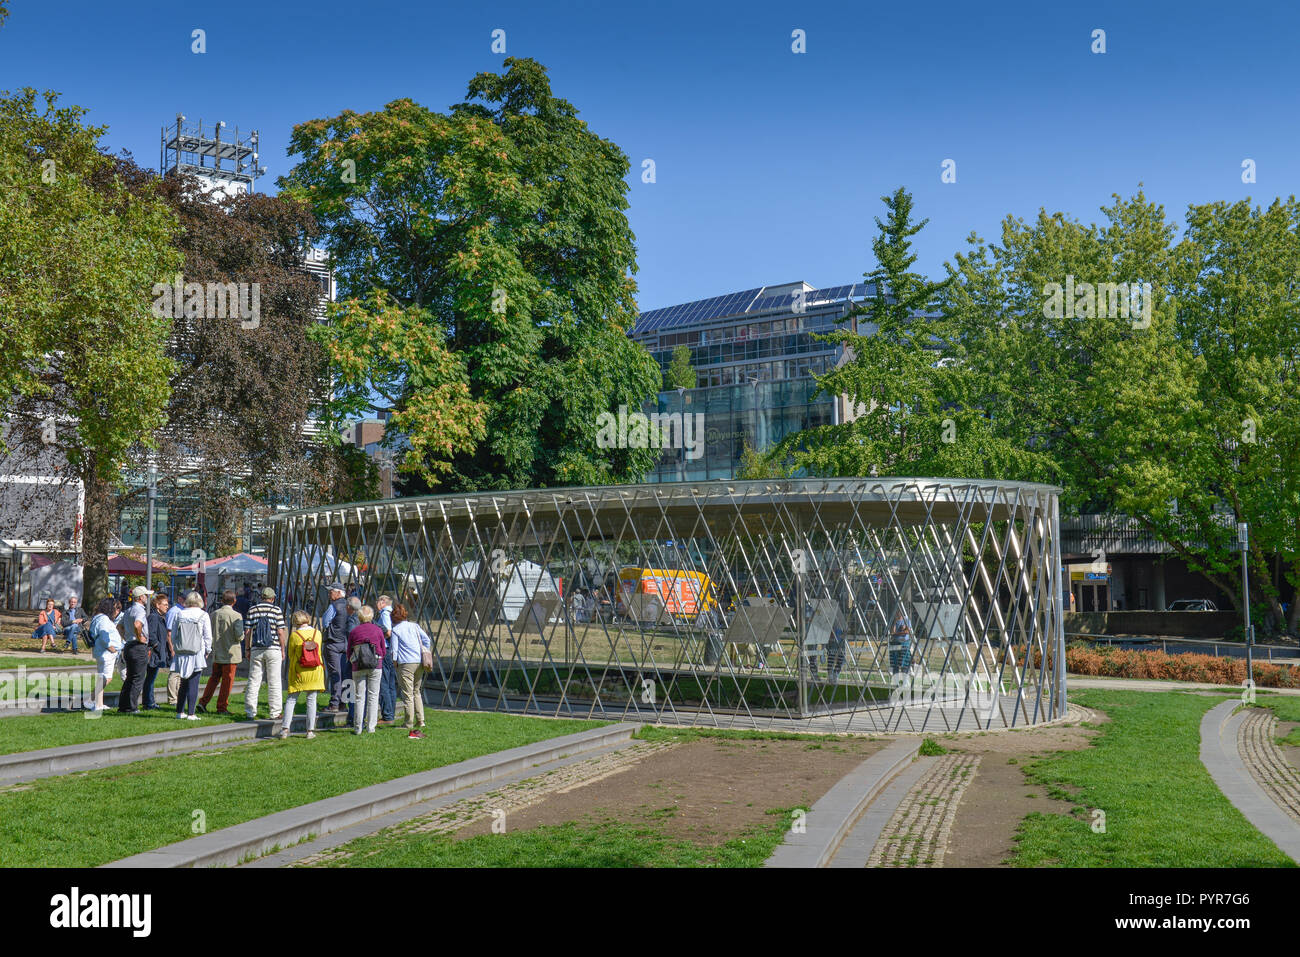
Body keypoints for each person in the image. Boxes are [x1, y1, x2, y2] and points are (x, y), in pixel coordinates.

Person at [243, 586, 287, 721]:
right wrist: (283, 649)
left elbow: (248, 632)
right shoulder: (276, 610)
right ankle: (275, 712)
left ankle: (250, 711)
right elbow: (280, 632)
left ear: (261, 597)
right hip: (273, 649)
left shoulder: (252, 610)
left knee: (254, 680)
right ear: (272, 598)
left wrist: (247, 649)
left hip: (256, 649)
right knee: (274, 681)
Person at [281, 610, 326, 739]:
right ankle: (310, 731)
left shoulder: (295, 636)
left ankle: (285, 729)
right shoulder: (317, 633)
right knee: (311, 700)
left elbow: (291, 654)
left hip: (299, 671)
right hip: (315, 670)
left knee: (291, 699)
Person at [389, 603, 430, 738]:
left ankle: (408, 723)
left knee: (407, 694)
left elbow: (394, 650)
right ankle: (421, 720)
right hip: (419, 661)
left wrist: (394, 663)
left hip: (405, 663)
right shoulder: (414, 625)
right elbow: (426, 639)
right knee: (416, 691)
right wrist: (423, 650)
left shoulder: (396, 630)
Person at [170, 591, 212, 720]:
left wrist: (177, 647)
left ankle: (180, 711)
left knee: (183, 682)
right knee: (194, 683)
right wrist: (208, 650)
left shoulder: (179, 613)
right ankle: (191, 713)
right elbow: (207, 636)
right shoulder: (203, 615)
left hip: (182, 651)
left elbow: (173, 634)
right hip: (197, 651)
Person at [199, 590, 242, 715]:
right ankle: (222, 707)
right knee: (227, 681)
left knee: (214, 678)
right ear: (234, 601)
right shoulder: (236, 615)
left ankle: (203, 702)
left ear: (222, 600)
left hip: (217, 651)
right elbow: (239, 635)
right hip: (231, 654)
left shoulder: (214, 614)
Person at [347, 605, 386, 734]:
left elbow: (349, 651)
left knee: (359, 697)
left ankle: (358, 727)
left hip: (358, 665)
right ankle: (371, 727)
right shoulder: (377, 630)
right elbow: (383, 650)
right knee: (373, 696)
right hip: (375, 665)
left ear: (359, 617)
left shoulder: (354, 632)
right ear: (371, 616)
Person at [118, 586, 153, 712]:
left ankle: (123, 706)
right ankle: (132, 707)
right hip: (137, 647)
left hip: (129, 645)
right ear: (141, 597)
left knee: (130, 678)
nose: (147, 598)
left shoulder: (128, 610)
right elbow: (137, 624)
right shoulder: (140, 611)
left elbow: (119, 626)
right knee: (138, 678)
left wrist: (126, 637)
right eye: (146, 595)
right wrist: (139, 638)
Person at [87, 598, 123, 712]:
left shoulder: (99, 618)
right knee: (107, 678)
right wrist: (111, 649)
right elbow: (104, 636)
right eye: (115, 608)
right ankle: (90, 700)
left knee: (102, 677)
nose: (116, 611)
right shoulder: (103, 619)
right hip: (106, 652)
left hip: (102, 652)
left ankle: (99, 704)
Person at [320, 582, 349, 712]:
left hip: (333, 643)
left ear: (338, 593)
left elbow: (325, 622)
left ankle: (334, 703)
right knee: (345, 673)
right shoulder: (349, 606)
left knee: (335, 673)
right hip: (346, 643)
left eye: (331, 591)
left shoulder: (334, 606)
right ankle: (344, 703)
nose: (329, 593)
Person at [142, 593, 171, 710]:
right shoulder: (154, 617)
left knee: (151, 678)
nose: (167, 606)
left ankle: (150, 702)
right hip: (154, 652)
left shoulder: (159, 617)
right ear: (157, 605)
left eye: (167, 604)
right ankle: (149, 703)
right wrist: (158, 647)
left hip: (157, 652)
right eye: (165, 604)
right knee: (150, 678)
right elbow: (152, 635)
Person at [376, 594, 397, 724]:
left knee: (383, 683)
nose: (376, 604)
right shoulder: (393, 613)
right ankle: (391, 713)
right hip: (392, 651)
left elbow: (388, 632)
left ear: (383, 602)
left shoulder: (384, 613)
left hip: (385, 649)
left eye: (377, 601)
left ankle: (387, 715)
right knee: (391, 684)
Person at [889, 605, 913, 675]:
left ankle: (905, 679)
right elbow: (892, 632)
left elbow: (907, 631)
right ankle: (895, 680)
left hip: (904, 643)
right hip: (895, 643)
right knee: (895, 663)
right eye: (896, 612)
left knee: (904, 662)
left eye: (898, 612)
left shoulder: (906, 620)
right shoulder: (894, 620)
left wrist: (896, 633)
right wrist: (895, 622)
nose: (897, 613)